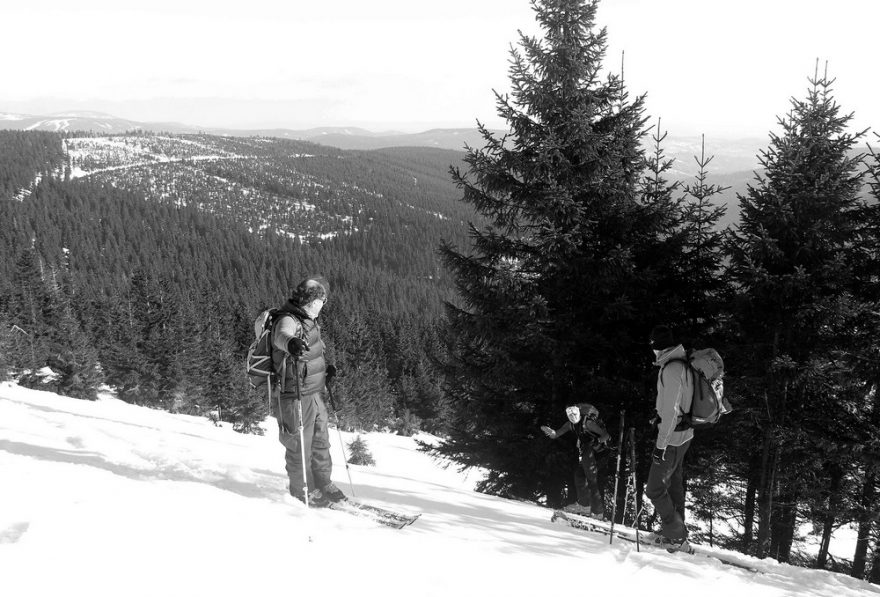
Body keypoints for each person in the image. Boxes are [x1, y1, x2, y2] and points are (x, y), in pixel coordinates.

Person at [270, 275, 344, 507]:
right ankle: (302, 488)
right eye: (321, 300)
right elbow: (281, 336)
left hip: (313, 392)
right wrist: (290, 343)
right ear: (310, 301)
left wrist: (325, 371)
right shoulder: (288, 318)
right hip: (294, 394)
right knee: (299, 443)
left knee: (321, 440)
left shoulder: (310, 321)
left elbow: (314, 352)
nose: (323, 304)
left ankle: (323, 482)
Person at [646, 325, 694, 547]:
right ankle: (677, 533)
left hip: (672, 439)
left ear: (658, 348)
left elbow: (672, 410)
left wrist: (660, 444)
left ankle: (674, 534)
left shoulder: (671, 369)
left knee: (654, 489)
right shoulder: (683, 363)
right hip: (685, 435)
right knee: (674, 485)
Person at [541, 402, 610, 518]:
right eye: (569, 414)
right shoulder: (570, 425)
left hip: (597, 452)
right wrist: (551, 432)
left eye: (574, 413)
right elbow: (556, 434)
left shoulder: (588, 423)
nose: (572, 416)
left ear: (578, 412)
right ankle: (585, 505)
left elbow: (606, 435)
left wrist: (596, 442)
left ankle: (597, 512)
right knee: (579, 476)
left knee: (591, 479)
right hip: (587, 452)